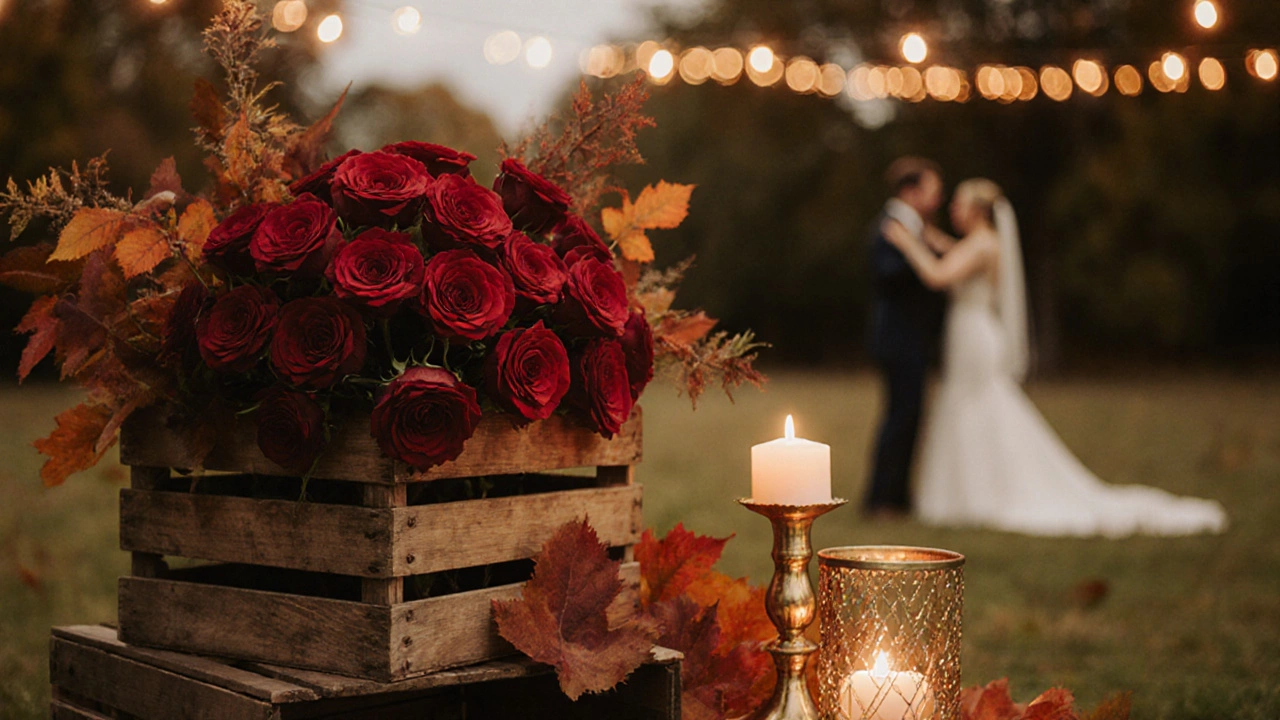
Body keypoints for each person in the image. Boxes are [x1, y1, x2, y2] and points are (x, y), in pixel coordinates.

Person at [882, 179, 1228, 536]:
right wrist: (931, 239)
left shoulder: (982, 245)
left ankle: (980, 495)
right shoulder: (977, 243)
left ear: (978, 211)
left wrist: (909, 244)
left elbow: (939, 275)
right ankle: (963, 495)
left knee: (978, 407)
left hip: (974, 336)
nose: (953, 208)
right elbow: (954, 252)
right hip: (969, 334)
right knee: (969, 406)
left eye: (959, 203)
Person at [864, 157, 948, 518]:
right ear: (910, 192)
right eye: (932, 190)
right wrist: (920, 252)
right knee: (898, 418)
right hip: (898, 339)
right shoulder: (890, 226)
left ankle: (899, 496)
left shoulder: (915, 228)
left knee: (911, 418)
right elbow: (887, 275)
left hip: (913, 339)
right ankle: (881, 498)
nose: (938, 198)